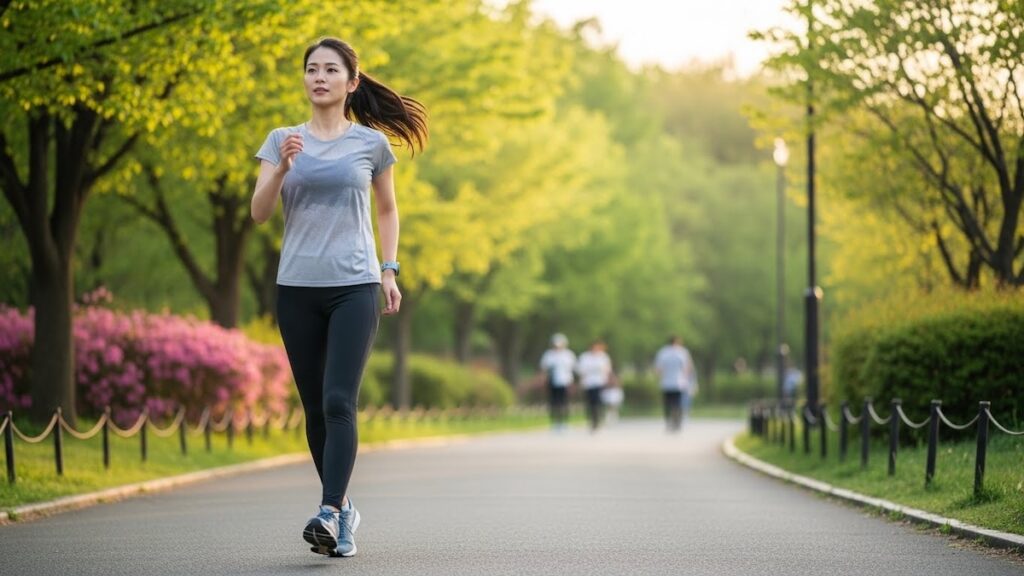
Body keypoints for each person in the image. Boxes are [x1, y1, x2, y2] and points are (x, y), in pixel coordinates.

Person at [251, 37, 427, 558]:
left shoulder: (371, 145)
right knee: (313, 409)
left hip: (354, 285)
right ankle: (343, 509)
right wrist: (281, 168)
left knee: (337, 400)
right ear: (304, 80)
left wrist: (389, 271)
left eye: (330, 69)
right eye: (311, 69)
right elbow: (259, 213)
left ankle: (327, 511)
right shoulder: (281, 139)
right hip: (296, 288)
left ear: (351, 82)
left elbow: (388, 211)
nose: (319, 77)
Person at [654, 335, 696, 432]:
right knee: (677, 403)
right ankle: (677, 422)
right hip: (679, 382)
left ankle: (669, 422)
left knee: (667, 403)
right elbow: (688, 367)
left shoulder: (663, 352)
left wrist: (661, 376)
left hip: (666, 382)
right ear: (677, 342)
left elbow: (658, 369)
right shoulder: (682, 352)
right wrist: (687, 378)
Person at [538, 333, 576, 431]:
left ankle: (564, 422)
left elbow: (573, 369)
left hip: (565, 382)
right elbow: (544, 369)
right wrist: (542, 381)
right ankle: (555, 422)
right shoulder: (549, 355)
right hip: (552, 382)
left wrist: (572, 384)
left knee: (564, 403)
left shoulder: (568, 355)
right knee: (554, 403)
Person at [576, 339, 614, 432]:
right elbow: (580, 370)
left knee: (598, 401)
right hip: (588, 383)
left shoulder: (603, 357)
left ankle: (598, 419)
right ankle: (592, 419)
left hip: (600, 382)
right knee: (590, 402)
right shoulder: (585, 357)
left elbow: (607, 370)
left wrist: (607, 380)